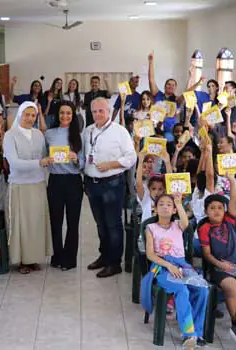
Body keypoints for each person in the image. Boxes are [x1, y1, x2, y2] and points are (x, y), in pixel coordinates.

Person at [199, 174, 236, 349]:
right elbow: (207, 254)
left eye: (219, 207)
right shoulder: (204, 228)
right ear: (206, 211)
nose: (216, 211)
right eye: (212, 208)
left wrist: (232, 181)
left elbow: (233, 200)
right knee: (231, 287)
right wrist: (220, 264)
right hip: (219, 268)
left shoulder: (229, 221)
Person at [143, 193, 209, 349]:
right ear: (155, 209)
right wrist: (168, 265)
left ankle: (197, 332)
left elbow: (186, 222)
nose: (165, 207)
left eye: (168, 204)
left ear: (173, 210)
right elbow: (150, 254)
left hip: (183, 265)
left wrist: (179, 203)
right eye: (161, 204)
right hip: (162, 266)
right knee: (182, 290)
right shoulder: (150, 228)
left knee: (202, 289)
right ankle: (188, 334)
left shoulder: (178, 224)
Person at [84, 97, 136, 278]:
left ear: (108, 111)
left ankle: (115, 263)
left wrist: (112, 164)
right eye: (94, 112)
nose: (98, 114)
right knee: (100, 224)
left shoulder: (119, 131)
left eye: (101, 111)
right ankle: (104, 256)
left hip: (112, 183)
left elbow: (131, 157)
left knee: (113, 224)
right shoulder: (88, 131)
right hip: (92, 184)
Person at [2, 101, 52, 274]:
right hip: (20, 186)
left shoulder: (38, 134)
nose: (30, 118)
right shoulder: (10, 135)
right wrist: (39, 162)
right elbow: (14, 163)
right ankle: (21, 260)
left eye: (33, 115)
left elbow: (44, 156)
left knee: (36, 223)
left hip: (37, 184)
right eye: (27, 114)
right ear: (20, 115)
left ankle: (33, 258)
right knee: (21, 224)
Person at [45, 101, 84, 271]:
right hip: (55, 180)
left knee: (72, 222)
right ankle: (57, 255)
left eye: (68, 113)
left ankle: (70, 259)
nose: (65, 116)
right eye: (62, 113)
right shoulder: (49, 134)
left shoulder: (79, 135)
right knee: (55, 221)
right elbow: (43, 157)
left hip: (74, 181)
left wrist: (77, 160)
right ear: (57, 114)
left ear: (73, 115)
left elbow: (84, 163)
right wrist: (48, 160)